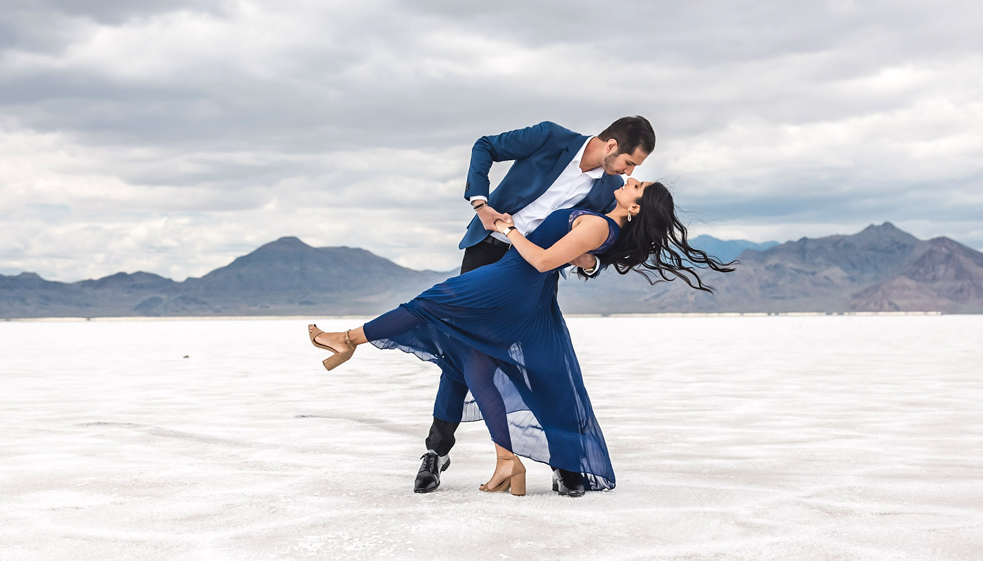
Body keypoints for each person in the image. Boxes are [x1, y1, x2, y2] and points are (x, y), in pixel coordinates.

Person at [308, 179, 734, 496]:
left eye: (638, 185)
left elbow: (546, 259)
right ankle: (511, 462)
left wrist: (511, 231)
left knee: (430, 304)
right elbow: (581, 255)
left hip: (511, 281)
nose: (632, 179)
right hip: (523, 288)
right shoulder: (606, 223)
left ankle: (346, 338)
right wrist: (585, 258)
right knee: (480, 365)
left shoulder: (601, 225)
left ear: (636, 208)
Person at [413, 116, 654, 496]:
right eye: (630, 163)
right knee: (464, 355)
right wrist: (481, 204)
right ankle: (435, 452)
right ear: (611, 146)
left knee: (542, 364)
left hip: (536, 275)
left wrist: (590, 263)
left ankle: (564, 462)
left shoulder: (611, 192)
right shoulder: (550, 138)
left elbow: (608, 242)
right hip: (487, 253)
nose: (630, 173)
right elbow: (485, 145)